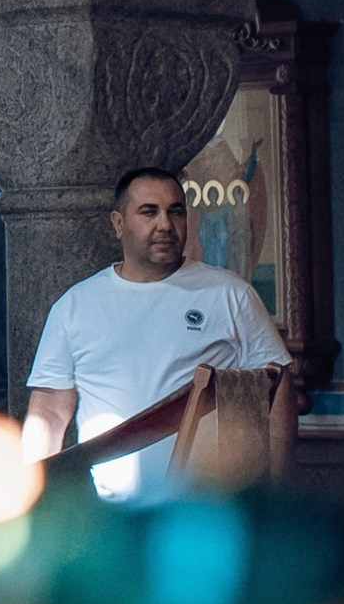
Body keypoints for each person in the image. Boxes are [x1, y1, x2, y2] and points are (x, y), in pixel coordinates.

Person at [20, 165, 297, 499]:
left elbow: (278, 387)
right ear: (118, 224)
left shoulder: (229, 295)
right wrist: (31, 498)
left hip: (205, 510)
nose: (165, 224)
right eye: (149, 212)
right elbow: (48, 411)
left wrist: (277, 491)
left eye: (175, 211)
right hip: (112, 514)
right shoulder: (75, 306)